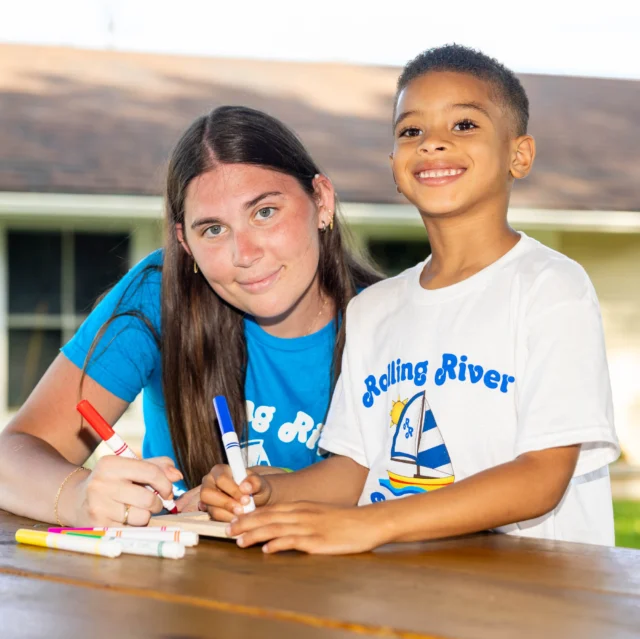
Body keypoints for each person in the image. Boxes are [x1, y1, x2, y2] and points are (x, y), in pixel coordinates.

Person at [202, 45, 620, 554]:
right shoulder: (373, 309)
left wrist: (373, 525)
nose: (433, 144)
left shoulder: (550, 287)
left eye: (464, 125)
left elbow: (541, 476)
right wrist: (269, 490)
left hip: (533, 604)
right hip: (404, 594)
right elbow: (353, 470)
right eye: (410, 131)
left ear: (520, 154)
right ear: (394, 164)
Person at [0, 106, 381, 528]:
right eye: (213, 230)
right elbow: (12, 454)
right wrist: (77, 496)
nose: (246, 254)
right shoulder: (158, 292)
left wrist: (293, 490)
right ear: (186, 244)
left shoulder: (388, 322)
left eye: (265, 212)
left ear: (321, 201)